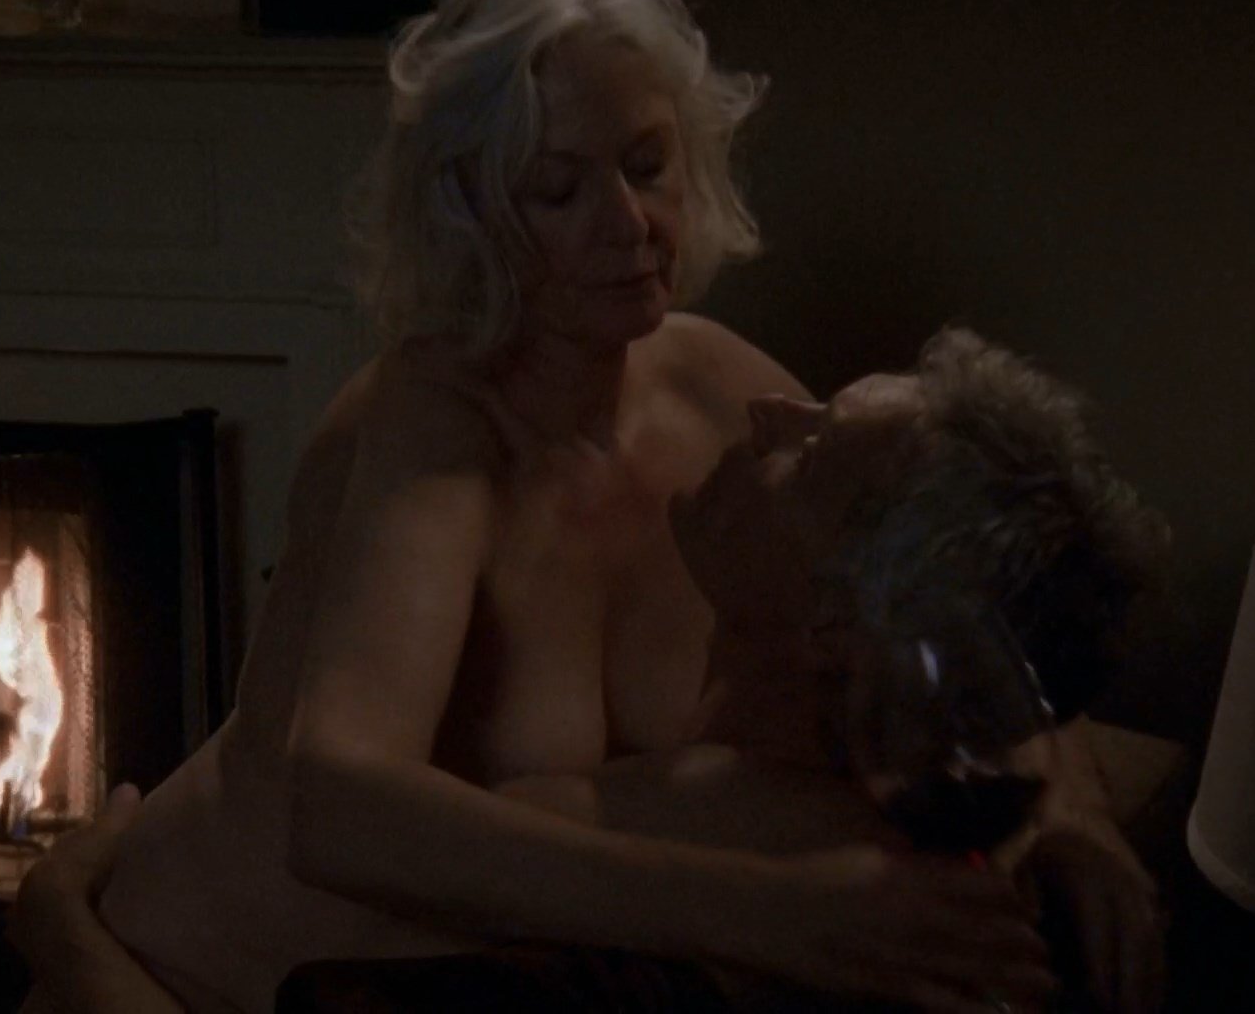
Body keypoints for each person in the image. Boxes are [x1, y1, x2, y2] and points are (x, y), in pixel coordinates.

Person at [12, 0, 1162, 1013]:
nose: (628, 225)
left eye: (647, 166)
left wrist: (1074, 819)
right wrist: (771, 913)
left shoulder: (721, 392)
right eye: (557, 190)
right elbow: (338, 809)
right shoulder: (429, 422)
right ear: (468, 211)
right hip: (183, 969)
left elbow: (943, 587)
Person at [274, 326, 1172, 1012]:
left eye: (810, 449)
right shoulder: (917, 766)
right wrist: (1077, 817)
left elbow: (329, 931)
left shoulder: (627, 819)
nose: (769, 407)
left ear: (838, 625)